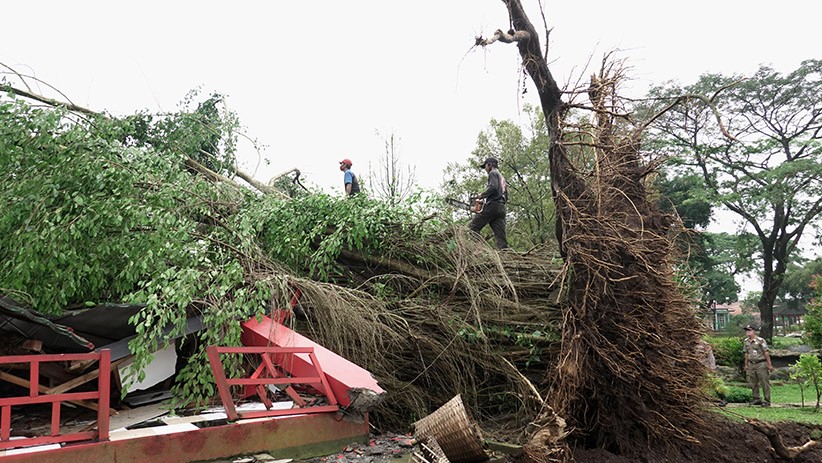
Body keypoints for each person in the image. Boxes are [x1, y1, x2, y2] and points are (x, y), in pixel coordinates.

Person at [468, 157, 508, 249]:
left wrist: (481, 195)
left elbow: (493, 187)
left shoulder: (493, 173)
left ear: (490, 165)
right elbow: (506, 195)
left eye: (485, 166)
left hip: (493, 206)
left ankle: (482, 250)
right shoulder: (502, 178)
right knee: (501, 240)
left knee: (472, 227)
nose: (485, 169)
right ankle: (505, 255)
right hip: (501, 208)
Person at [743, 324, 774, 407]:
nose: (747, 332)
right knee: (753, 382)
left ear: (753, 331)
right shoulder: (746, 341)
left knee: (764, 382)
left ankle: (767, 400)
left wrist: (769, 364)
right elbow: (746, 353)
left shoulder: (760, 340)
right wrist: (746, 364)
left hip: (761, 363)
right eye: (746, 330)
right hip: (751, 364)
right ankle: (756, 399)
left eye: (749, 330)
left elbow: (766, 352)